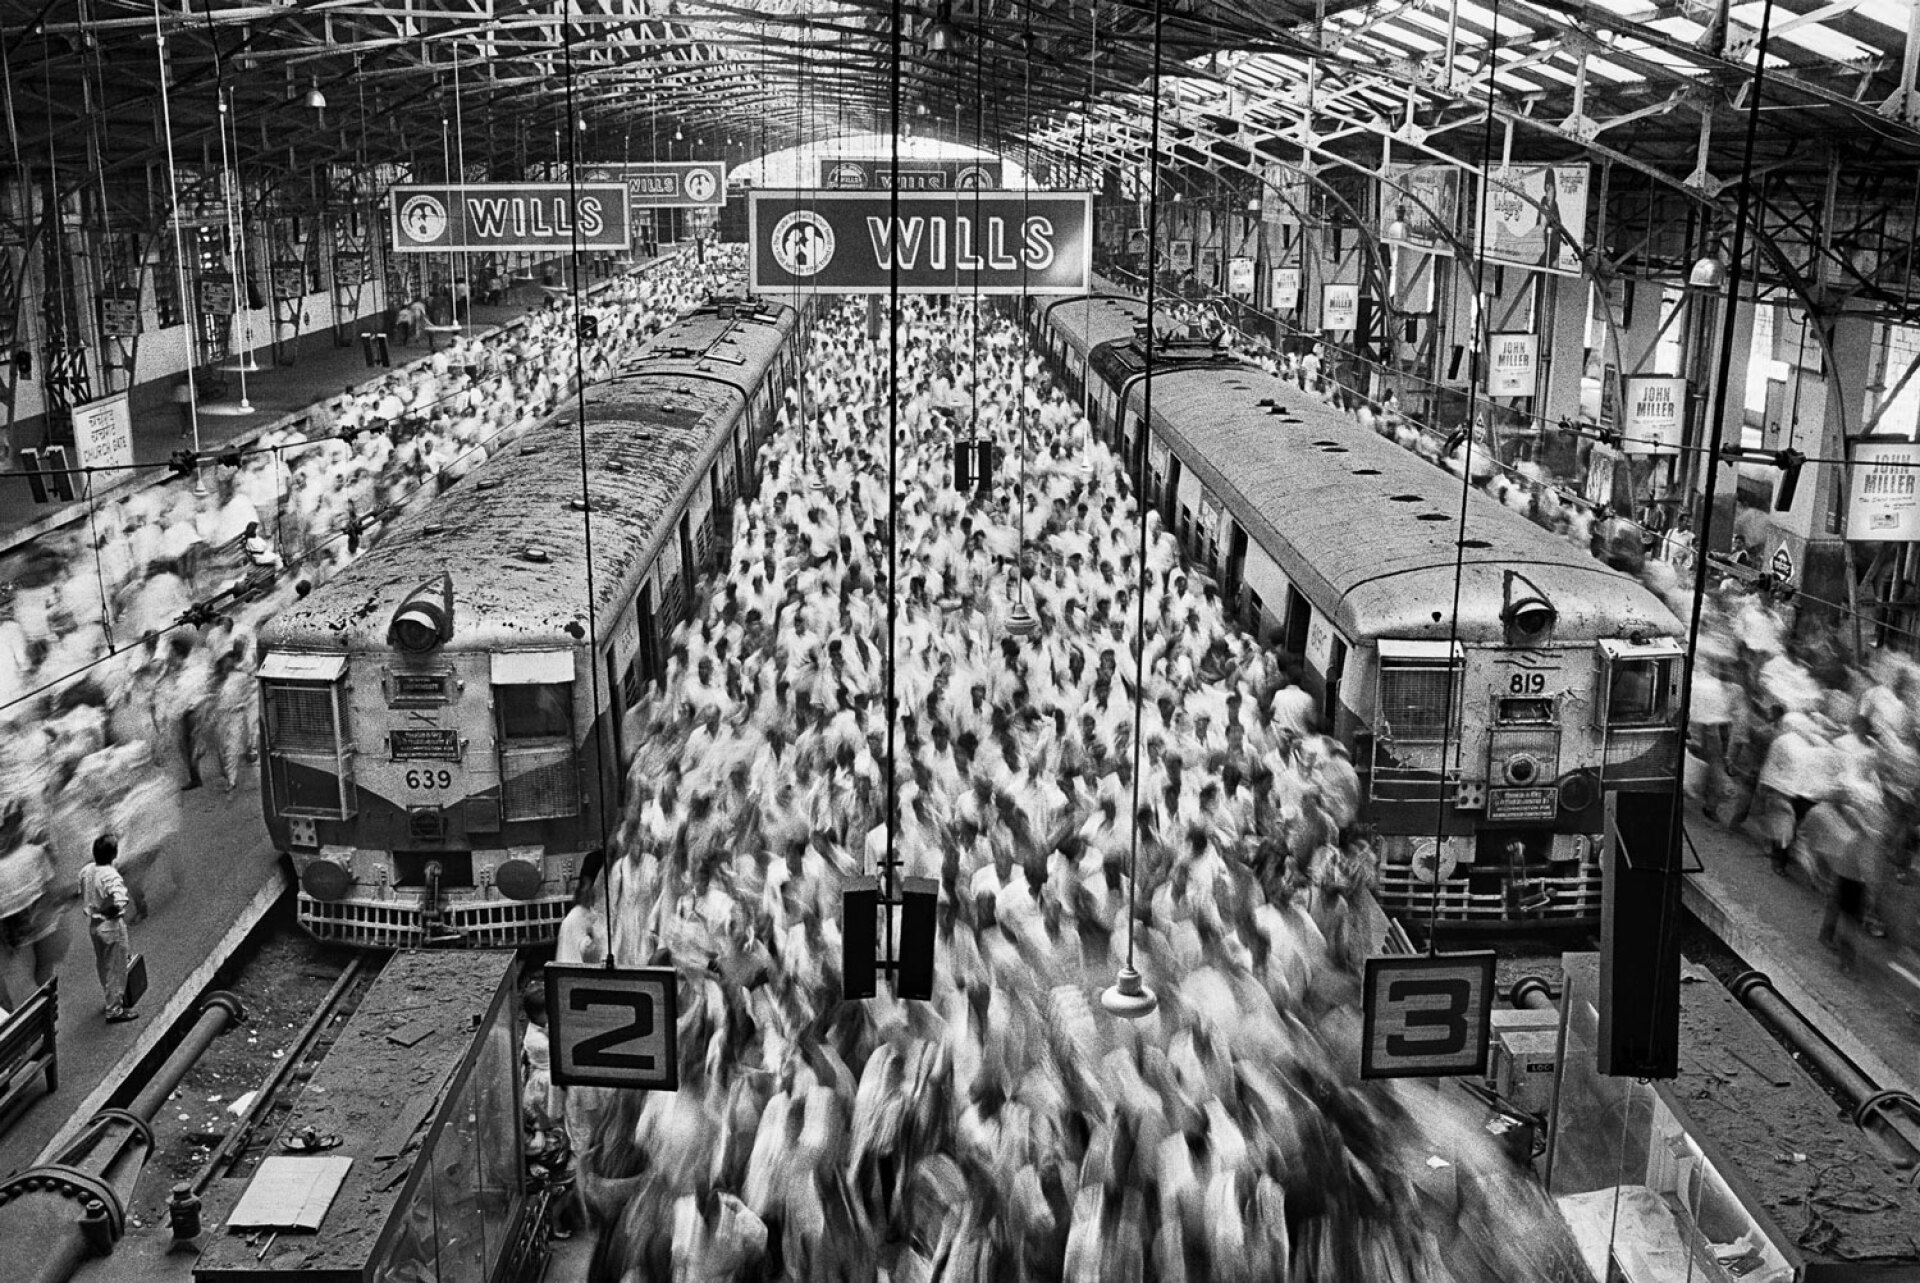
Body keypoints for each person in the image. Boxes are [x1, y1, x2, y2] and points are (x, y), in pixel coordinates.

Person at [80, 834, 137, 1022]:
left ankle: (109, 998)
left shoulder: (87, 870)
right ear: (114, 854)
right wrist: (109, 909)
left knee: (103, 965)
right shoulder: (110, 875)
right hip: (110, 925)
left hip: (94, 926)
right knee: (116, 967)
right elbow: (119, 900)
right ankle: (115, 1009)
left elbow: (81, 889)